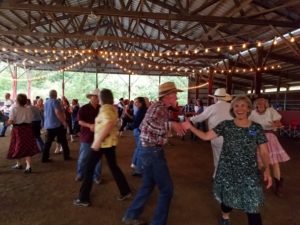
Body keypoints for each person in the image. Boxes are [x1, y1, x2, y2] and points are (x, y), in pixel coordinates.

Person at [182, 96, 272, 225]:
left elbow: (263, 151)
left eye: (243, 105)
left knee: (253, 205)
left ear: (248, 108)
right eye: (236, 106)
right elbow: (206, 136)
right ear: (232, 109)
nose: (239, 108)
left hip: (249, 173)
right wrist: (190, 127)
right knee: (227, 201)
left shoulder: (256, 128)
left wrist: (267, 169)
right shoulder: (226, 125)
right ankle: (225, 217)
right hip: (228, 171)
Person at [123, 81, 186, 225]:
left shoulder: (158, 107)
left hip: (148, 150)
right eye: (175, 94)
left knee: (148, 184)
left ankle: (131, 215)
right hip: (153, 152)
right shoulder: (160, 108)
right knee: (167, 190)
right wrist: (170, 125)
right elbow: (148, 125)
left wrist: (170, 127)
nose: (176, 97)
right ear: (168, 96)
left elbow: (146, 126)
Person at [73, 89, 131, 207]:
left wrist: (98, 140)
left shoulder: (105, 108)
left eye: (98, 96)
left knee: (89, 169)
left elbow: (109, 123)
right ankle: (125, 191)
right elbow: (109, 123)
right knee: (113, 167)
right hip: (109, 143)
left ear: (101, 97)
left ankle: (83, 198)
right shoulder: (111, 108)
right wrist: (96, 126)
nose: (96, 98)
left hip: (102, 144)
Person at [249, 96, 290, 197]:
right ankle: (255, 184)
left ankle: (278, 183)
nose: (261, 103)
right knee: (258, 162)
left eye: (263, 101)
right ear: (255, 103)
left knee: (274, 162)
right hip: (258, 137)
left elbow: (279, 123)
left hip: (270, 137)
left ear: (266, 103)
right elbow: (250, 127)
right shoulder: (252, 113)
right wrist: (251, 139)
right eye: (259, 101)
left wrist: (277, 124)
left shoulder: (271, 111)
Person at [190, 88, 233, 177]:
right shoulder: (232, 107)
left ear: (216, 98)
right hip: (231, 137)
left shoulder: (213, 107)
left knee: (218, 157)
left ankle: (217, 176)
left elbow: (200, 118)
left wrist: (190, 119)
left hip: (216, 136)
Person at [7, 94, 40, 173]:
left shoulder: (14, 108)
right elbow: (31, 118)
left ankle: (18, 164)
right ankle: (28, 166)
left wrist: (7, 122)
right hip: (28, 129)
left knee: (16, 145)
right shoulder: (28, 109)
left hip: (18, 129)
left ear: (17, 100)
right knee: (27, 146)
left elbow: (11, 120)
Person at [75, 89, 102, 184]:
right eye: (95, 96)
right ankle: (80, 173)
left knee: (98, 159)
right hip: (86, 136)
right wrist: (90, 125)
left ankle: (97, 176)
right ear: (90, 97)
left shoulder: (101, 108)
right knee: (84, 157)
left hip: (99, 136)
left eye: (99, 97)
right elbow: (80, 121)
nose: (97, 99)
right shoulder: (84, 108)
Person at [42, 90, 71, 162]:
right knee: (63, 141)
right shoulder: (56, 101)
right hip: (57, 125)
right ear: (56, 95)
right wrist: (64, 122)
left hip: (48, 125)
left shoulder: (46, 102)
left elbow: (45, 113)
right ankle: (66, 157)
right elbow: (57, 112)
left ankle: (44, 158)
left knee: (48, 142)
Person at [130, 97, 147, 176]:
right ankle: (138, 169)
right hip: (139, 131)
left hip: (138, 131)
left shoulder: (141, 110)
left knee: (139, 149)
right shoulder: (142, 110)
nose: (135, 103)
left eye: (136, 102)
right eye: (135, 102)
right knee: (140, 150)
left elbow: (136, 121)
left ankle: (135, 164)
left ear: (141, 103)